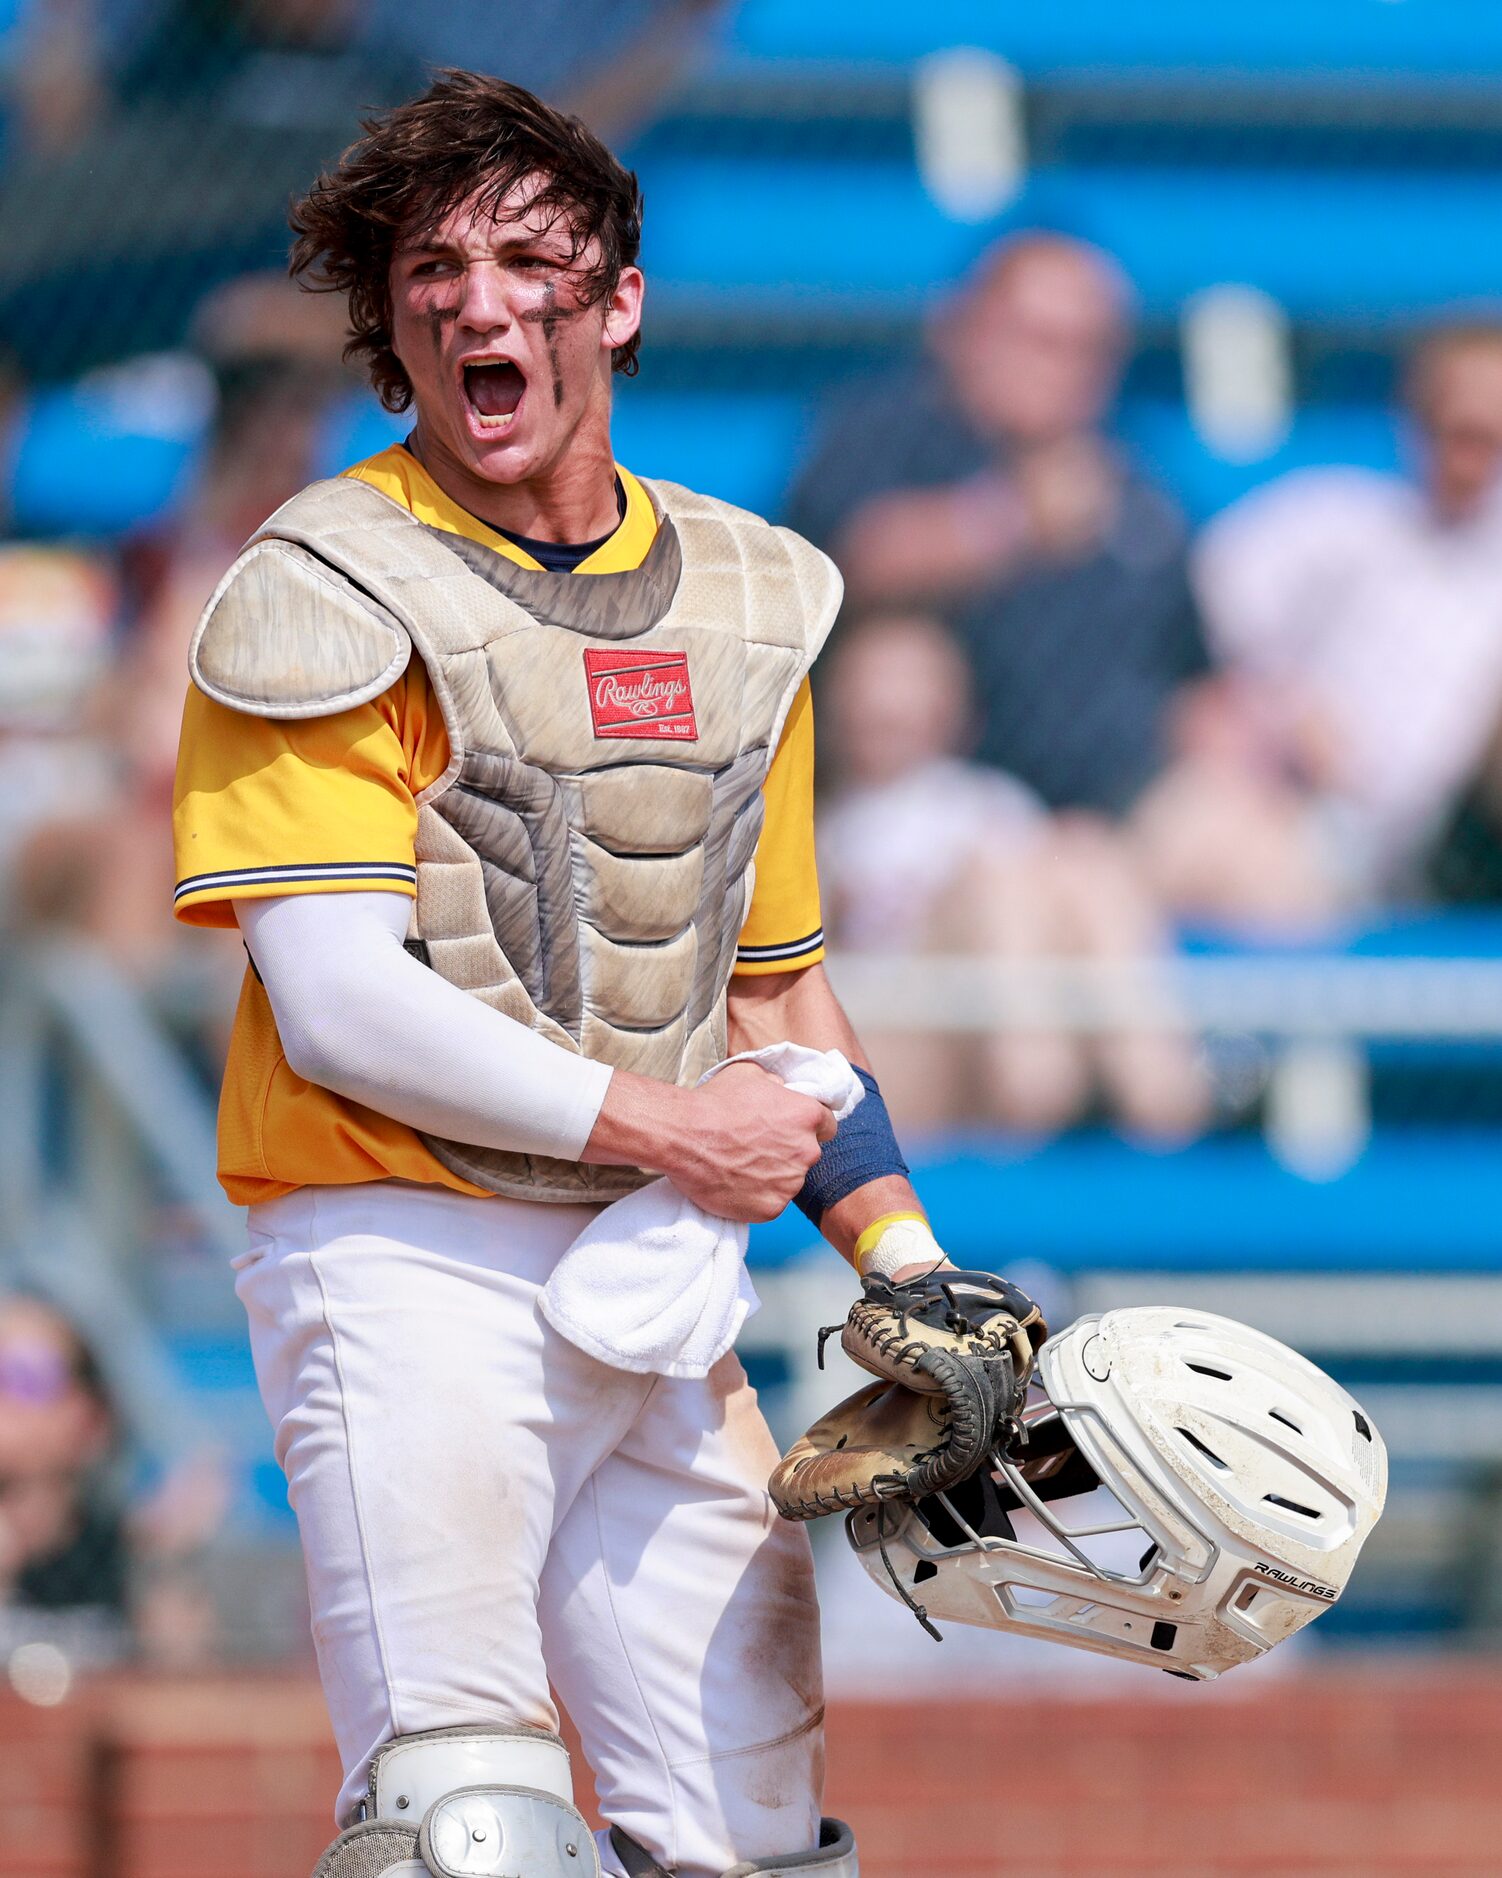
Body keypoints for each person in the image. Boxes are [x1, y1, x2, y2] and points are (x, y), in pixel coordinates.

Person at [171, 72, 1038, 1878]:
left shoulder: (755, 590)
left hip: (655, 1274)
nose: (477, 300)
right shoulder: (320, 580)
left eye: (528, 259)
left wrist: (913, 1266)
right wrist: (670, 1125)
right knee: (462, 1830)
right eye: (431, 268)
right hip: (402, 1249)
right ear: (390, 321)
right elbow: (335, 999)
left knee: (756, 1838)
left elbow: (777, 992)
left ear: (618, 300)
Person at [788, 230, 1212, 820]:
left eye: (1089, 349)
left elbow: (1192, 670)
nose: (1064, 371)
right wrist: (1004, 523)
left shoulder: (1139, 496)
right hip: (906, 809)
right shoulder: (882, 435)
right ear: (968, 329)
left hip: (1113, 810)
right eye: (1041, 340)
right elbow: (831, 572)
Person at [818, 611, 1207, 1140]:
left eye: (910, 679)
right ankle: (1035, 1084)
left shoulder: (990, 799)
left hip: (995, 1031)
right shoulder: (816, 824)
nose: (889, 700)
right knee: (995, 879)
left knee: (1089, 850)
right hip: (888, 1054)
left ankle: (1155, 1091)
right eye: (872, 680)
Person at [1181, 321, 1502, 916]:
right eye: (1460, 424)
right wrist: (1282, 705)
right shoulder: (1334, 521)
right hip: (1328, 832)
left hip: (1473, 852)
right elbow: (1198, 615)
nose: (1475, 449)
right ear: (1420, 415)